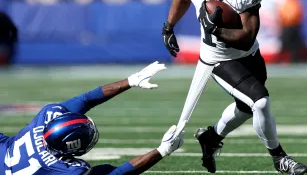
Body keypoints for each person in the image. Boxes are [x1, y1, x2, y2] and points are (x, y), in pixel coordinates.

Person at [161, 0, 307, 174]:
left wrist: (216, 29)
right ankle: (279, 157)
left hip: (249, 54)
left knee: (245, 107)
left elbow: (247, 36)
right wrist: (168, 27)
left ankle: (211, 138)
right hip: (218, 59)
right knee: (260, 102)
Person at [0, 62, 185, 175]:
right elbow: (116, 174)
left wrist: (132, 81)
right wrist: (162, 150)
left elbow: (87, 99)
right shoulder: (68, 169)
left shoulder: (47, 116)